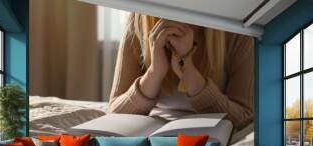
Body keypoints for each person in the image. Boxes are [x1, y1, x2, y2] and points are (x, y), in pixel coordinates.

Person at [108, 13, 254, 130]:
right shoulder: (139, 19)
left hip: (213, 134)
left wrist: (189, 73)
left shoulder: (237, 26)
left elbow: (245, 118)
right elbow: (115, 113)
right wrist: (154, 73)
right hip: (154, 131)